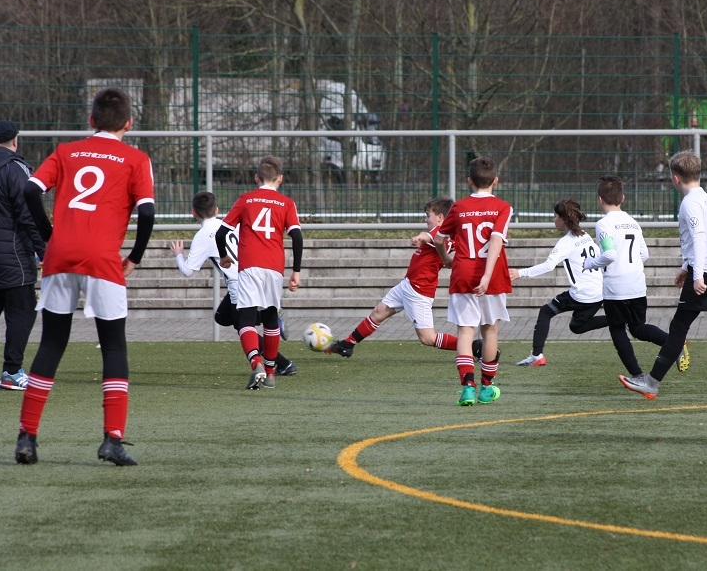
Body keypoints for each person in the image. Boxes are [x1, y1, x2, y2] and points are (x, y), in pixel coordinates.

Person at [15, 88, 155, 466]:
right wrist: (135, 257)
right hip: (104, 259)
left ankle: (26, 437)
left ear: (91, 120)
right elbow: (146, 213)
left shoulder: (66, 151)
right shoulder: (136, 159)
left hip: (60, 255)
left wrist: (49, 235)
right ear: (129, 123)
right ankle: (112, 440)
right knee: (113, 347)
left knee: (51, 343)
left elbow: (30, 189)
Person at [619, 151, 707, 400]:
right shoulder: (704, 197)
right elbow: (705, 238)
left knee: (678, 327)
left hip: (706, 273)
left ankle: (651, 383)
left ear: (675, 178)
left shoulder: (690, 202)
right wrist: (686, 267)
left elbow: (700, 237)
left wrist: (696, 275)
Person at [323, 197, 482, 359]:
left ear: (440, 217)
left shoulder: (441, 234)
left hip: (419, 290)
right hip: (408, 284)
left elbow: (429, 236)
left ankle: (472, 346)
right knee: (378, 313)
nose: (426, 220)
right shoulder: (446, 235)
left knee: (427, 338)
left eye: (428, 215)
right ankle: (348, 344)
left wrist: (421, 237)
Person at [169, 190, 297, 375]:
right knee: (222, 317)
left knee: (242, 325)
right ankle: (268, 321)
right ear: (217, 210)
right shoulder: (230, 225)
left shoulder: (202, 236)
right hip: (251, 274)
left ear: (193, 213)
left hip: (240, 284)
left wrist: (179, 255)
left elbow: (187, 271)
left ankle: (283, 363)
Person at [581, 175, 683, 389]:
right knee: (637, 328)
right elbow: (644, 254)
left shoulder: (603, 224)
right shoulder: (633, 223)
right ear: (623, 198)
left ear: (600, 200)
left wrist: (590, 263)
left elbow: (609, 254)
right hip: (637, 286)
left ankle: (637, 375)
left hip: (616, 288)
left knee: (617, 329)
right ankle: (673, 345)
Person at [215, 156, 302, 390]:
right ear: (280, 179)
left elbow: (221, 233)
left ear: (256, 177)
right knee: (271, 317)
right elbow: (297, 237)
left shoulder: (245, 200)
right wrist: (296, 271)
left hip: (250, 265)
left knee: (245, 318)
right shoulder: (287, 203)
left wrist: (224, 256)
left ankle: (256, 363)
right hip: (274, 268)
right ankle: (271, 374)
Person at [434, 156, 512, 406]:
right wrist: (487, 276)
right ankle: (487, 387)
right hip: (492, 276)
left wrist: (446, 259)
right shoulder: (503, 207)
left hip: (463, 273)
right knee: (490, 330)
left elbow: (438, 239)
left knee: (465, 331)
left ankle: (467, 387)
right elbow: (496, 240)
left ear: (469, 181)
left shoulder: (459, 207)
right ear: (495, 181)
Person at [0, 120, 45, 391]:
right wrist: (44, 250)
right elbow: (29, 214)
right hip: (13, 256)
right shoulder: (16, 169)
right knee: (22, 312)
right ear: (15, 140)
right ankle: (12, 371)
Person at [508, 198, 608, 366]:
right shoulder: (585, 235)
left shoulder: (566, 242)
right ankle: (617, 319)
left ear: (563, 219)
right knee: (576, 326)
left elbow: (548, 266)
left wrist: (520, 273)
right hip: (598, 293)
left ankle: (537, 356)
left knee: (546, 312)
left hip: (582, 295)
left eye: (555, 216)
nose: (553, 219)